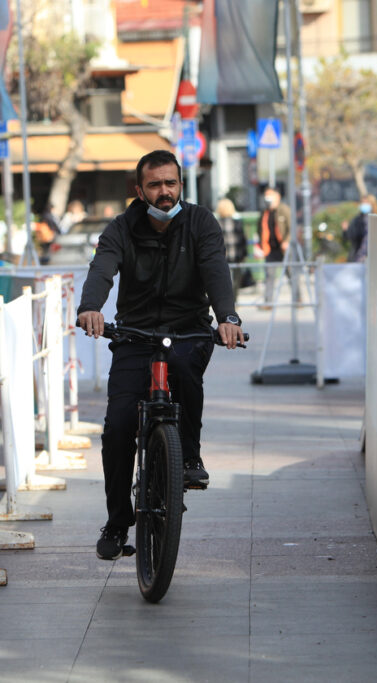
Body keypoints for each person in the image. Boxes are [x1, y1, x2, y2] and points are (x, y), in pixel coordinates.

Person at [77, 149, 244, 561]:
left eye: (171, 183)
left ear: (181, 185)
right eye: (155, 185)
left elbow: (215, 270)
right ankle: (117, 522)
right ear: (140, 190)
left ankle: (188, 453)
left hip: (187, 330)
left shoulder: (201, 222)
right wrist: (91, 307)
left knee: (186, 370)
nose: (164, 191)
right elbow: (102, 269)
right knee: (117, 427)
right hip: (134, 336)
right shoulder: (120, 228)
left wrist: (227, 317)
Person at [257, 187, 290, 303]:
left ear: (277, 197)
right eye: (266, 196)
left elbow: (292, 228)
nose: (267, 199)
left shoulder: (284, 210)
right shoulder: (265, 213)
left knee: (291, 273)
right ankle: (268, 301)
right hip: (270, 249)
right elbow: (260, 230)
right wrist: (260, 246)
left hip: (284, 249)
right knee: (269, 276)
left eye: (270, 196)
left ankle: (298, 300)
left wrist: (287, 241)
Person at [215, 197, 247, 295]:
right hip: (237, 256)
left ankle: (227, 299)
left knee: (224, 281)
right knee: (236, 280)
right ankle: (235, 301)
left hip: (222, 257)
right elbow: (243, 240)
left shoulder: (216, 223)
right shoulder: (237, 222)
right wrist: (244, 255)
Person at [346, 195, 375, 263]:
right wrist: (345, 230)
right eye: (362, 202)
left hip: (372, 256)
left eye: (366, 202)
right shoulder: (357, 220)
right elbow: (351, 237)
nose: (364, 205)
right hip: (357, 256)